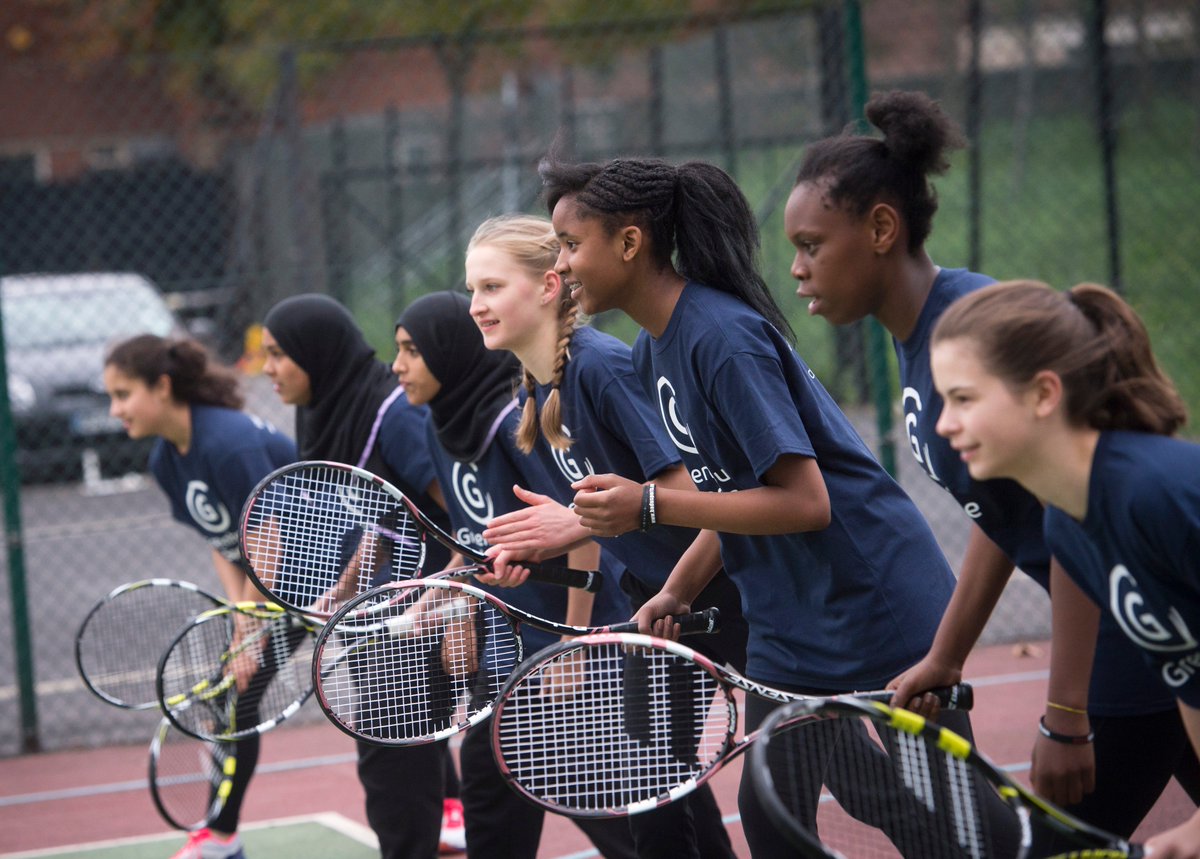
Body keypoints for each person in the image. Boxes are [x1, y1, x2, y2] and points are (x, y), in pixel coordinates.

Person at [536, 153, 1010, 858]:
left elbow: (807, 501)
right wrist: (676, 587)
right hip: (789, 626)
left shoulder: (719, 335)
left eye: (572, 245)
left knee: (958, 823)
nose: (564, 266)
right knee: (772, 813)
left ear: (630, 243)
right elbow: (728, 489)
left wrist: (649, 507)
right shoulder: (651, 352)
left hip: (874, 599)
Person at [783, 88, 1200, 835]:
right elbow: (1000, 513)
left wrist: (1067, 708)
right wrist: (947, 655)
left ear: (881, 229)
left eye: (812, 244)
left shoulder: (966, 327)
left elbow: (1068, 510)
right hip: (1145, 631)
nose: (797, 268)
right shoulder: (923, 344)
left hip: (1128, 632)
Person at [460, 213, 748, 858]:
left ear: (549, 286)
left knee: (817, 778)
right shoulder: (540, 384)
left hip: (729, 593)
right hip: (663, 601)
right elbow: (607, 514)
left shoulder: (602, 369)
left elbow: (699, 499)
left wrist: (574, 521)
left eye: (492, 287)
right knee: (659, 805)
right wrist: (544, 548)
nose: (476, 305)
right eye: (473, 290)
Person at [928, 278, 1200, 854]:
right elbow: (1186, 672)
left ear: (1043, 395)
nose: (943, 424)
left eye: (964, 399)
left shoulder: (1158, 495)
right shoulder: (1068, 528)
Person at [393, 290, 639, 859]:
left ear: (447, 352)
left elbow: (582, 529)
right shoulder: (440, 425)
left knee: (609, 805)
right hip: (510, 647)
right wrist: (432, 603)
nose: (397, 365)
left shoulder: (513, 422)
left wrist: (571, 647)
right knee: (487, 790)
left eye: (411, 350)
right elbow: (476, 543)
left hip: (579, 643)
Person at [259, 294, 464, 858]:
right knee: (397, 766)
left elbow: (466, 517)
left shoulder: (394, 415)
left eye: (278, 355)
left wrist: (442, 600)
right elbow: (384, 515)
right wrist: (349, 582)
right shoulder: (328, 408)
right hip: (388, 610)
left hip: (426, 614)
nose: (266, 369)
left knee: (392, 768)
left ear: (316, 354)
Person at [103, 334, 296, 859]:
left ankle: (220, 836)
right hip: (270, 582)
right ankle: (221, 836)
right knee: (230, 701)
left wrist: (250, 630)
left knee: (239, 701)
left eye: (123, 394)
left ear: (162, 387)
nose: (115, 409)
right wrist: (241, 617)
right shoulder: (167, 461)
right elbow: (226, 542)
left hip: (331, 569)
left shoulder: (229, 444)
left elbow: (270, 540)